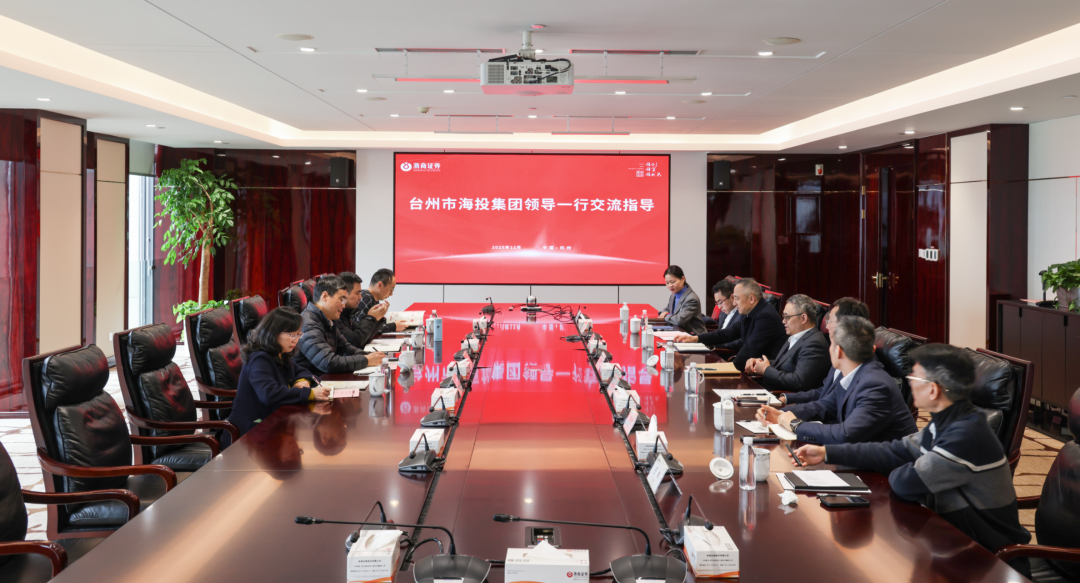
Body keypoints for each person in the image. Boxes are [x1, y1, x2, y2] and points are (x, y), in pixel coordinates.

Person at [787, 344, 1031, 573]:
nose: (909, 382)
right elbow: (894, 449)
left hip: (988, 558)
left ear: (933, 389)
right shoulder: (947, 422)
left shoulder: (966, 435)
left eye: (915, 378)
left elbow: (904, 483)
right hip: (950, 539)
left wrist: (903, 467)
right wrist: (827, 452)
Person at [755, 315, 916, 444]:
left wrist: (795, 425)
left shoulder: (875, 385)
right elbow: (825, 405)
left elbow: (845, 434)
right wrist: (781, 414)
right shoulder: (855, 374)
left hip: (881, 470)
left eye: (830, 343)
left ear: (838, 351)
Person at [227, 307, 331, 438]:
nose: (295, 339)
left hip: (274, 421)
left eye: (298, 334)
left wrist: (302, 381)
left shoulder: (281, 354)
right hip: (250, 432)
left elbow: (305, 372)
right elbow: (269, 394)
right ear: (274, 332)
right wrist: (309, 393)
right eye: (291, 335)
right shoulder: (260, 358)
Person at [675, 278, 786, 370]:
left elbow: (750, 349)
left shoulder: (766, 317)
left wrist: (728, 368)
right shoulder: (749, 311)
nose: (734, 303)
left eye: (736, 298)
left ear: (751, 299)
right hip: (749, 367)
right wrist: (695, 339)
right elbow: (727, 333)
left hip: (761, 375)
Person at [780, 297, 870, 406]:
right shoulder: (841, 353)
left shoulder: (867, 378)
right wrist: (786, 399)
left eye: (830, 321)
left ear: (844, 325)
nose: (827, 326)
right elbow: (824, 392)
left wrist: (791, 415)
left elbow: (830, 407)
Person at [295, 275, 386, 375]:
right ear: (324, 296)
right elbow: (327, 362)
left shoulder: (327, 318)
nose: (343, 305)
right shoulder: (307, 323)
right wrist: (366, 360)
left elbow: (345, 347)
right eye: (341, 300)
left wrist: (371, 356)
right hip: (311, 381)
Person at [745, 294, 830, 393]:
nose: (783, 321)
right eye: (783, 317)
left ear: (803, 318)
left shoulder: (815, 344)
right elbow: (783, 365)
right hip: (769, 390)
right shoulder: (795, 336)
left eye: (787, 317)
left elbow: (798, 382)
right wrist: (759, 362)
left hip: (783, 397)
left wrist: (766, 370)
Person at [353, 268, 407, 346]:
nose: (391, 294)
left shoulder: (373, 299)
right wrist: (393, 326)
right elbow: (364, 330)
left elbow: (374, 325)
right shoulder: (365, 298)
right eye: (391, 290)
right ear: (380, 285)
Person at [658, 265, 707, 335]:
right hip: (679, 333)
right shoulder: (673, 295)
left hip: (693, 336)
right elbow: (666, 310)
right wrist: (664, 314)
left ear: (682, 279)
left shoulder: (691, 299)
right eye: (667, 283)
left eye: (673, 282)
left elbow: (679, 320)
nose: (670, 285)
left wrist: (666, 315)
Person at [336, 271, 370, 347]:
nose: (360, 297)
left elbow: (364, 336)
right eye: (357, 293)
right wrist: (371, 317)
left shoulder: (347, 312)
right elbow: (355, 341)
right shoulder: (334, 316)